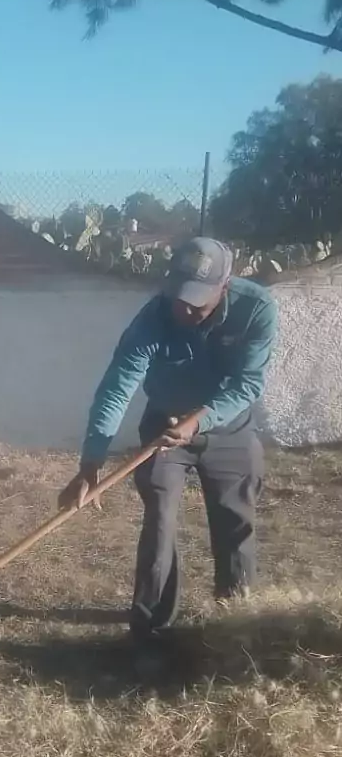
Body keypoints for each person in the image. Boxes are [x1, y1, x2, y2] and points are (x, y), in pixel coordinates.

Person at [58, 237, 279, 641]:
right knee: (159, 522)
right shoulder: (154, 318)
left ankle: (237, 622)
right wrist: (90, 465)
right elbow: (117, 387)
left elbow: (247, 385)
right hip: (162, 427)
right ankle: (151, 629)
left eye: (197, 301)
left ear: (224, 286)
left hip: (228, 427)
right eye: (178, 297)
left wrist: (198, 421)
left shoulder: (257, 309)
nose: (185, 309)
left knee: (235, 521)